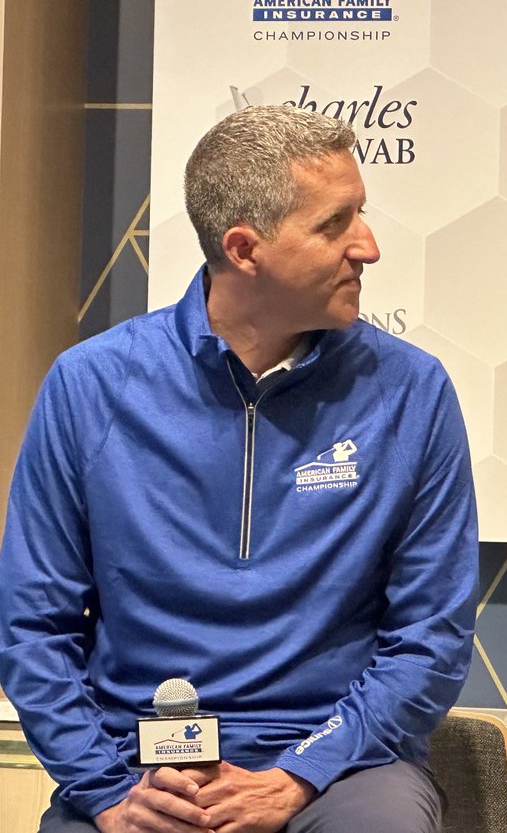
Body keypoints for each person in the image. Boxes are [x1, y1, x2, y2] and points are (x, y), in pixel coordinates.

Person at [0, 105, 479, 833]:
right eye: (334, 224)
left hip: (338, 765)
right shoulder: (90, 385)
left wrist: (297, 775)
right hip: (138, 766)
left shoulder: (412, 391)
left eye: (362, 215)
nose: (369, 247)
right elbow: (34, 628)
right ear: (244, 249)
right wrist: (105, 794)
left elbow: (431, 638)